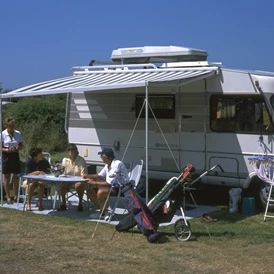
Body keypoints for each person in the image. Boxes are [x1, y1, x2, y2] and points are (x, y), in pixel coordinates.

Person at [83, 148, 128, 219]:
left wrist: (94, 182)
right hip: (110, 187)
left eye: (101, 156)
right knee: (89, 192)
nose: (101, 158)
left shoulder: (117, 164)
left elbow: (110, 184)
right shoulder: (108, 165)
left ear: (106, 157)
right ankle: (105, 210)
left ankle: (102, 213)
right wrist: (87, 176)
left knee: (100, 192)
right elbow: (100, 175)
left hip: (119, 188)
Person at [60, 143, 88, 212]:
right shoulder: (65, 160)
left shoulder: (81, 160)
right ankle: (63, 203)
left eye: (72, 149)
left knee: (78, 185)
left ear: (76, 150)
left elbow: (84, 175)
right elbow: (63, 173)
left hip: (80, 181)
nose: (71, 151)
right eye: (69, 149)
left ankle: (80, 204)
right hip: (68, 181)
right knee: (61, 184)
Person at [1, 117, 23, 204]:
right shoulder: (2, 134)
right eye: (10, 126)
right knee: (7, 177)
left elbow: (21, 144)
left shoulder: (18, 133)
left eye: (13, 126)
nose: (12, 128)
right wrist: (7, 150)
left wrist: (18, 147)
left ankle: (16, 195)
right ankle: (8, 196)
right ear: (7, 126)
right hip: (6, 156)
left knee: (16, 176)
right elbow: (0, 147)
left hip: (15, 155)